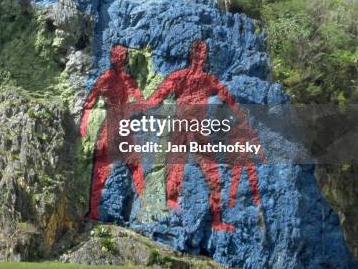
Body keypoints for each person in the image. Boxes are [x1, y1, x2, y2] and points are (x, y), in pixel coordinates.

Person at [146, 39, 263, 231]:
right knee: (176, 167)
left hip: (199, 131)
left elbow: (230, 101)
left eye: (204, 52)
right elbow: (156, 98)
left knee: (213, 174)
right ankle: (170, 205)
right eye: (198, 52)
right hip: (181, 128)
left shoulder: (209, 80)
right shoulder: (179, 77)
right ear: (192, 54)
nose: (201, 56)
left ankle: (216, 220)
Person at [80, 45, 145, 220]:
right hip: (110, 125)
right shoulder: (106, 77)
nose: (120, 59)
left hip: (123, 125)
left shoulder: (127, 80)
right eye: (117, 55)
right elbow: (90, 101)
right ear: (111, 57)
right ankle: (94, 211)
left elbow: (140, 101)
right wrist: (83, 125)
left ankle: (146, 206)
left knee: (135, 164)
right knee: (101, 168)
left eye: (123, 56)